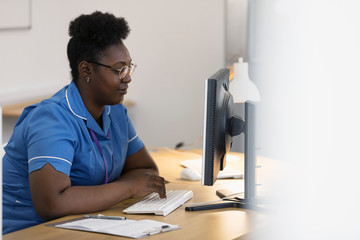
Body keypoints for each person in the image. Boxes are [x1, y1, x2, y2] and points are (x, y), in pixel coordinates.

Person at [2, 11, 166, 234]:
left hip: (83, 225)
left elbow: (146, 171)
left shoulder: (115, 111)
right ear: (86, 69)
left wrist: (121, 189)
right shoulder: (52, 119)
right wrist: (128, 188)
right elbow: (53, 204)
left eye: (129, 67)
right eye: (119, 70)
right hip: (30, 232)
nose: (128, 77)